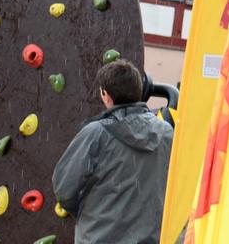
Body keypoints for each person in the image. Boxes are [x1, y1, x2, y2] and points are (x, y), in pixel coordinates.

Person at [52, 59, 173, 243]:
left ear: (105, 94)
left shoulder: (95, 134)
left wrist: (88, 216)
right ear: (139, 91)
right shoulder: (166, 133)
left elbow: (65, 189)